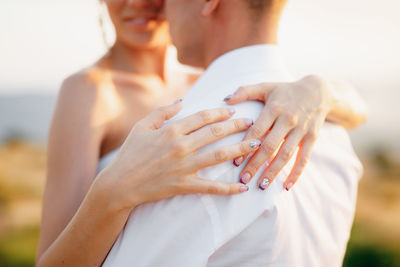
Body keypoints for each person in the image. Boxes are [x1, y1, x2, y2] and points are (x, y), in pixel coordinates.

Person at [36, 0, 367, 266]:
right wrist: (115, 189)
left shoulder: (210, 87)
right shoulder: (89, 92)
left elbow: (357, 111)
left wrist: (319, 90)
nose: (138, 3)